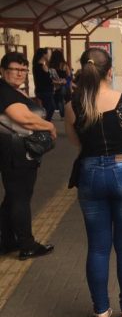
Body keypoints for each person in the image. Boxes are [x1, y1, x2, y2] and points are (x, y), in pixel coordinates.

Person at [64, 48, 122, 317]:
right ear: (110, 71)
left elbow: (76, 143)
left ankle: (100, 311)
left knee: (98, 247)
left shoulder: (72, 106)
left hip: (90, 174)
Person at [0, 52, 56, 259]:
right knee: (20, 199)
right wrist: (49, 126)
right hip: (16, 154)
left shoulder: (12, 90)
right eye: (15, 69)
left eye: (23, 70)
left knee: (13, 198)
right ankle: (27, 244)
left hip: (19, 153)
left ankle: (6, 241)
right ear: (3, 71)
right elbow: (23, 118)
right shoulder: (4, 91)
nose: (20, 73)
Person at [32, 48, 55, 121]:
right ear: (43, 55)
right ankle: (45, 123)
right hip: (46, 90)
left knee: (47, 108)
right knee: (50, 108)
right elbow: (47, 80)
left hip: (40, 90)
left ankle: (45, 122)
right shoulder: (42, 66)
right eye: (47, 54)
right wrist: (47, 72)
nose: (48, 55)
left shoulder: (35, 66)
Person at [49, 50, 70, 118]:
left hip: (55, 86)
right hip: (64, 85)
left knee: (59, 100)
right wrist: (66, 82)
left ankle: (62, 114)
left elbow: (49, 77)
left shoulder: (51, 65)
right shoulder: (64, 65)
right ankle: (65, 114)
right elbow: (69, 76)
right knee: (65, 100)